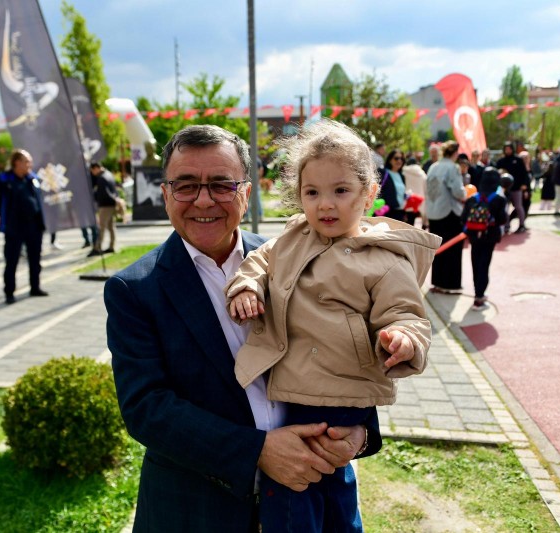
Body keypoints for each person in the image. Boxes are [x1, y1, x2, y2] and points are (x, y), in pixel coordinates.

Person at [104, 125, 380, 532]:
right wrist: (257, 451)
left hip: (312, 500)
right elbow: (147, 408)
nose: (203, 200)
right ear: (165, 194)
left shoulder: (293, 258)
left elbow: (344, 345)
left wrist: (360, 432)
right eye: (185, 185)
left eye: (221, 184)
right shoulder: (135, 289)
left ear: (246, 193)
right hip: (197, 512)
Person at [225, 119, 439, 532]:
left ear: (369, 193)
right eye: (312, 192)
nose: (325, 204)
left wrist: (403, 338)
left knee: (327, 484)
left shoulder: (384, 259)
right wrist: (247, 286)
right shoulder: (293, 236)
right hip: (292, 393)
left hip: (343, 395)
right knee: (297, 490)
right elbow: (259, 260)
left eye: (340, 191)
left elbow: (406, 313)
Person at [0, 149, 48, 304]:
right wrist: (8, 216)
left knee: (35, 258)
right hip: (14, 228)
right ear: (17, 162)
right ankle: (9, 292)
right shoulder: (3, 179)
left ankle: (35, 287)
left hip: (34, 226)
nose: (30, 165)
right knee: (12, 260)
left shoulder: (33, 178)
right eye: (27, 161)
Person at [461, 168, 507, 311]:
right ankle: (479, 297)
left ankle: (477, 293)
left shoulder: (472, 199)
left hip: (474, 237)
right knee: (484, 265)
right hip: (489, 237)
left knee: (475, 264)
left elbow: (463, 218)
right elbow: (502, 219)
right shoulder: (499, 199)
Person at [426, 141, 466, 293]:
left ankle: (437, 282)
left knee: (438, 249)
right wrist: (465, 194)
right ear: (455, 153)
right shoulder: (453, 167)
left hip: (433, 212)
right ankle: (450, 284)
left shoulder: (433, 166)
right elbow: (458, 191)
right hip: (449, 212)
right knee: (453, 249)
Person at [496, 141, 530, 234]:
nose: (508, 151)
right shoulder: (501, 161)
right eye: (506, 149)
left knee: (518, 206)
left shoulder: (518, 160)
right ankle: (506, 226)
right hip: (504, 190)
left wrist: (524, 185)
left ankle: (522, 225)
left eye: (509, 149)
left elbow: (524, 173)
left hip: (516, 188)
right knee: (505, 208)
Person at [91, 162, 118, 256]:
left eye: (92, 171)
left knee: (101, 227)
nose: (93, 173)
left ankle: (97, 248)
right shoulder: (109, 174)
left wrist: (96, 197)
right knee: (111, 227)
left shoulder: (102, 178)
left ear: (96, 168)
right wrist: (116, 200)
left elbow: (105, 193)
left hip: (105, 206)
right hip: (111, 204)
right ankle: (112, 246)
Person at [379, 149, 408, 221]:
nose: (399, 161)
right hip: (386, 212)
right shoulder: (383, 173)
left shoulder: (402, 176)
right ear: (390, 160)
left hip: (400, 212)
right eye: (396, 158)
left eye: (401, 159)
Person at [402, 156, 428, 228]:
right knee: (422, 226)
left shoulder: (403, 172)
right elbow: (426, 188)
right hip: (420, 201)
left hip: (408, 201)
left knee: (409, 224)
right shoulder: (422, 173)